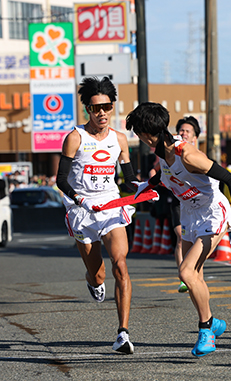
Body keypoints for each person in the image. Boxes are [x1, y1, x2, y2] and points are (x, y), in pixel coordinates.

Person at [125, 102, 231, 357]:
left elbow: (229, 179)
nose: (138, 138)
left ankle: (206, 331)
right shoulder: (162, 153)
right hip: (189, 214)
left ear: (147, 134)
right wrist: (146, 186)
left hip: (212, 212)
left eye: (138, 133)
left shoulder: (188, 154)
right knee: (195, 277)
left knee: (186, 271)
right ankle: (213, 323)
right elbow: (165, 175)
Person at [56, 76, 140, 354]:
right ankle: (92, 280)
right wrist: (79, 199)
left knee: (120, 264)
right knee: (99, 274)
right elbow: (61, 180)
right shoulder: (75, 138)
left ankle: (123, 334)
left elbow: (128, 179)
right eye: (96, 108)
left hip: (110, 206)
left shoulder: (119, 139)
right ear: (88, 110)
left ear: (112, 106)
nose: (102, 113)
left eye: (106, 106)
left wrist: (143, 187)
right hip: (82, 209)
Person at [174, 116, 201, 293]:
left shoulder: (199, 156)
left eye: (187, 131)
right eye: (181, 130)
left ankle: (195, 275)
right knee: (181, 238)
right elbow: (156, 170)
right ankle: (183, 276)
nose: (183, 133)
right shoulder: (171, 152)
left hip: (198, 203)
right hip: (178, 200)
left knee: (195, 240)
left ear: (194, 137)